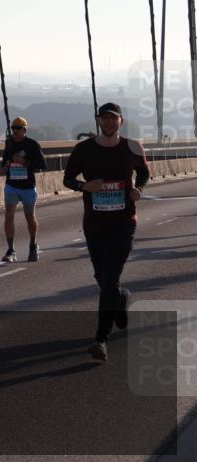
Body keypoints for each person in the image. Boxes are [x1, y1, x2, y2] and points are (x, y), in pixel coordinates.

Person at [62, 103, 149, 362]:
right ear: (98, 121)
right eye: (104, 118)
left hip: (124, 222)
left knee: (109, 278)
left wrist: (139, 189)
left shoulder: (132, 146)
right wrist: (84, 186)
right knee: (102, 277)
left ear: (121, 120)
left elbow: (144, 172)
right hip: (94, 223)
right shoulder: (84, 149)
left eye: (113, 118)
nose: (109, 123)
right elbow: (67, 179)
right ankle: (121, 298)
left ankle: (101, 338)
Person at [0, 117, 47, 263]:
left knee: (29, 217)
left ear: (25, 130)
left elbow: (42, 165)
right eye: (13, 128)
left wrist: (25, 162)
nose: (15, 131)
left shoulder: (32, 145)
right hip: (12, 185)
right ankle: (11, 250)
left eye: (18, 128)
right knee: (8, 215)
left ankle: (33, 245)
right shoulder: (9, 143)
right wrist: (6, 166)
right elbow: (3, 163)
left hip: (27, 187)